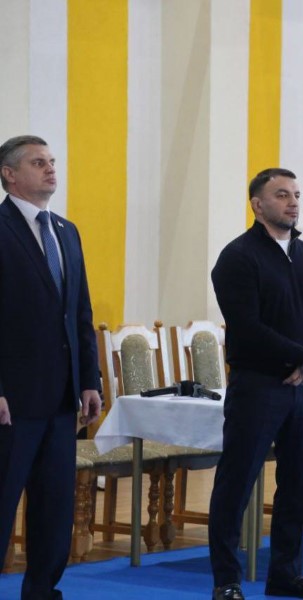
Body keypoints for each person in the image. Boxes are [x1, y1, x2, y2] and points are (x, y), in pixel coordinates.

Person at [208, 168, 303, 600]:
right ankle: (226, 579)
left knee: (297, 483)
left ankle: (286, 573)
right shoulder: (238, 257)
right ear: (257, 204)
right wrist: (302, 355)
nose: (293, 202)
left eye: (296, 194)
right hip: (258, 385)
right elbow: (246, 327)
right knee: (237, 483)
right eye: (282, 195)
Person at [0, 135, 102, 599]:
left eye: (52, 161)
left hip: (62, 399)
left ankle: (42, 591)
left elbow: (80, 312)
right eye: (38, 162)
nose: (50, 169)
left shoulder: (65, 230)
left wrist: (89, 381)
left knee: (54, 508)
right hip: (13, 399)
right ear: (9, 174)